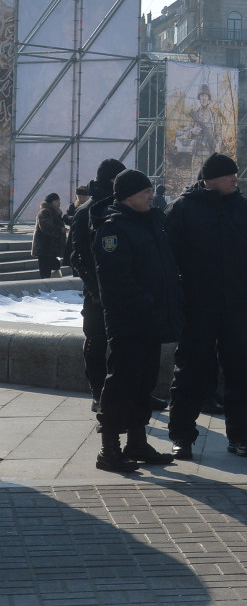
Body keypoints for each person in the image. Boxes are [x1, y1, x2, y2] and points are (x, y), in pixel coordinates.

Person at [165, 153, 247, 459]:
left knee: (240, 374)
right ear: (210, 178)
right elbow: (166, 261)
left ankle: (241, 436)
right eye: (229, 175)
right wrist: (175, 301)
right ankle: (182, 437)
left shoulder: (246, 209)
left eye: (235, 174)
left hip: (238, 308)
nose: (235, 179)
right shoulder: (183, 209)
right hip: (197, 307)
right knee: (189, 373)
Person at [91, 170, 183, 472]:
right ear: (129, 195)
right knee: (121, 383)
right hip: (128, 321)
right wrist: (148, 304)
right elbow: (117, 281)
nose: (151, 196)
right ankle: (109, 450)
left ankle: (137, 441)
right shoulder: (113, 229)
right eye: (145, 192)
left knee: (144, 382)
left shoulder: (151, 223)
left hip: (151, 320)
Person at [68, 159, 127, 411]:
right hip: (97, 293)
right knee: (96, 341)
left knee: (125, 344)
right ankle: (99, 393)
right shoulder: (89, 211)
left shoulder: (119, 207)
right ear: (114, 180)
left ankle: (129, 393)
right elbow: (76, 255)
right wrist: (94, 288)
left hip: (121, 289)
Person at [32, 193, 66, 278]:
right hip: (45, 248)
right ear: (51, 202)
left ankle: (55, 287)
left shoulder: (56, 212)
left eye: (59, 201)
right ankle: (47, 288)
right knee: (45, 272)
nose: (59, 203)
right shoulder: (45, 211)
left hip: (52, 249)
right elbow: (46, 227)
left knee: (55, 267)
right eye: (56, 201)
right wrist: (60, 229)